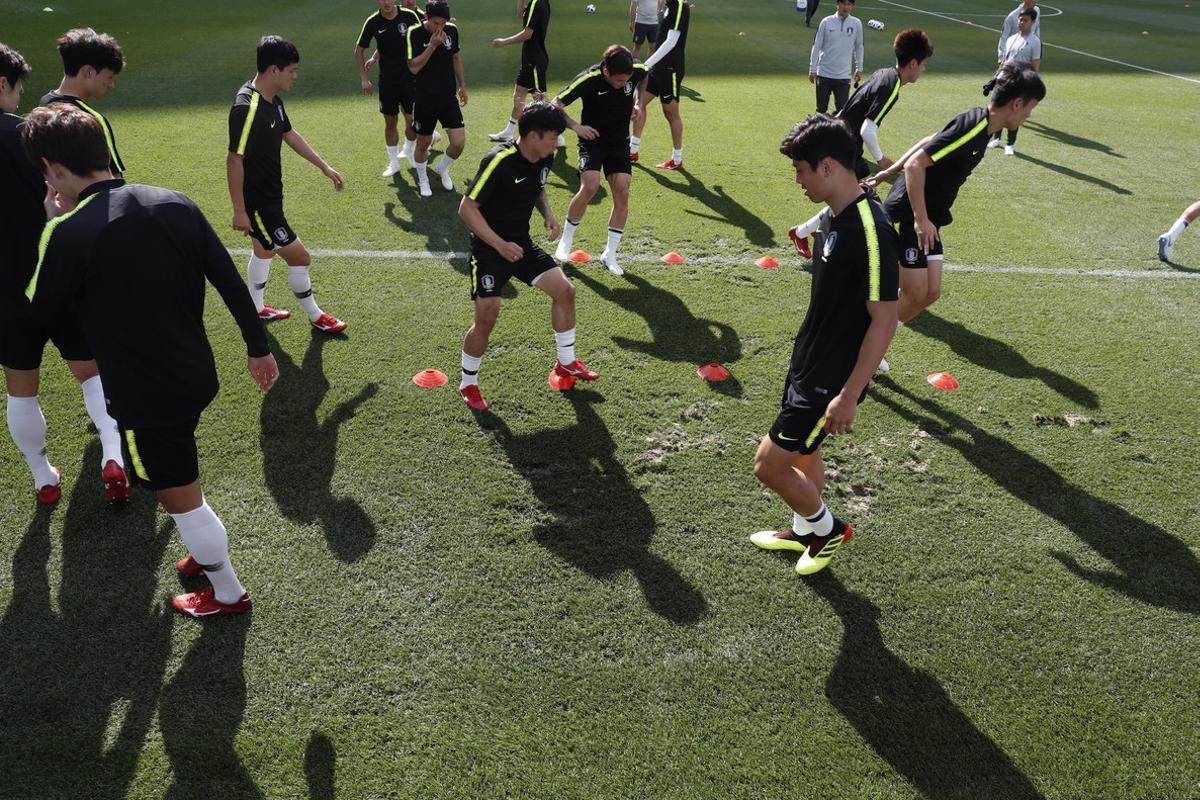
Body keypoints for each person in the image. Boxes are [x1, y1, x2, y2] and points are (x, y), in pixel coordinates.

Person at [22, 103, 280, 616]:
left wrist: (54, 222)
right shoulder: (174, 202)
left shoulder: (68, 232)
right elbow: (229, 281)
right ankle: (201, 545)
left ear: (52, 169)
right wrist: (257, 348)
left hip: (145, 391)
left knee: (175, 492)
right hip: (194, 373)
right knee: (179, 466)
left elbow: (40, 311)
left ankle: (227, 592)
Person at [750, 115, 899, 576]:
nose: (798, 180)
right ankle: (804, 530)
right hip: (808, 360)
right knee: (806, 453)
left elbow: (886, 320)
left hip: (831, 377)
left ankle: (827, 528)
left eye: (801, 170)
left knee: (769, 466)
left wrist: (848, 395)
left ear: (829, 166)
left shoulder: (871, 231)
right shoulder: (835, 216)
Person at [1, 44, 129, 505]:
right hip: (54, 273)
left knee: (21, 388)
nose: (20, 97)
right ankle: (113, 454)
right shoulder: (26, 137)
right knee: (92, 373)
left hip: (5, 297)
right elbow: (75, 194)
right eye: (17, 88)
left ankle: (42, 477)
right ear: (3, 84)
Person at [865, 64, 1046, 324]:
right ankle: (869, 340)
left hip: (931, 217)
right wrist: (920, 219)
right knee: (915, 293)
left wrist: (886, 173)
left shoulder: (986, 128)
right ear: (1017, 104)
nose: (1029, 115)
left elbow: (929, 141)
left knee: (930, 292)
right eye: (1032, 107)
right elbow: (917, 164)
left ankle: (877, 334)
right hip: (914, 213)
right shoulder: (973, 126)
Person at [457, 101, 599, 411]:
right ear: (533, 136)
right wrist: (498, 245)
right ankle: (468, 383)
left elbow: (537, 187)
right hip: (489, 250)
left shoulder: (542, 158)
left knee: (565, 291)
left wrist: (547, 213)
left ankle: (565, 363)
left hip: (520, 245)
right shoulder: (498, 161)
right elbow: (466, 208)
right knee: (487, 316)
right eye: (552, 137)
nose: (557, 143)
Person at [228, 35, 347, 333]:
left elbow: (290, 135)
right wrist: (240, 211)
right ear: (273, 70)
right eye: (291, 70)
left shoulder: (272, 100)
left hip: (270, 197)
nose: (295, 76)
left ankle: (254, 309)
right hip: (259, 205)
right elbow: (234, 160)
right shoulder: (247, 108)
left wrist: (324, 167)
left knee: (264, 252)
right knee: (299, 256)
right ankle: (316, 316)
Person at [553, 45, 647, 275]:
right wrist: (576, 126)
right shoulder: (588, 79)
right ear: (606, 72)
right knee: (591, 186)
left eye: (628, 80)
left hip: (618, 142)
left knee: (623, 190)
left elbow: (644, 77)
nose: (625, 83)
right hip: (592, 140)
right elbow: (555, 103)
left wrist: (638, 102)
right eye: (620, 81)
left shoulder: (634, 72)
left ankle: (610, 254)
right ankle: (565, 241)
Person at [835, 28, 933, 179]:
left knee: (849, 198)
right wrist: (882, 160)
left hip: (840, 136)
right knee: (863, 195)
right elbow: (867, 130)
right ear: (913, 63)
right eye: (924, 64)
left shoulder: (884, 73)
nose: (924, 69)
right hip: (844, 146)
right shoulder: (891, 87)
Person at [38, 28, 126, 176]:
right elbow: (114, 179)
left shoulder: (44, 105)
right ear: (88, 72)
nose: (111, 84)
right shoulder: (91, 119)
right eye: (109, 77)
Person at [355, 0, 428, 176]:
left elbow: (423, 37)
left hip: (410, 79)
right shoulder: (373, 21)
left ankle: (409, 150)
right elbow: (359, 50)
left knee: (412, 120)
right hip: (388, 81)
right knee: (390, 122)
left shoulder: (409, 16)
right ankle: (394, 163)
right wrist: (364, 79)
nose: (386, 2)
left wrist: (445, 25)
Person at [406, 1, 468, 197]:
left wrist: (462, 87)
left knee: (458, 143)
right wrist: (432, 45)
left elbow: (456, 58)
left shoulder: (452, 31)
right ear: (426, 16)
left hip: (448, 97)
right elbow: (413, 67)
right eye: (435, 23)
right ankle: (423, 179)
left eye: (443, 24)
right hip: (424, 98)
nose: (439, 28)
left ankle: (442, 167)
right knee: (423, 143)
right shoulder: (414, 33)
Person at [629, 0, 689, 169]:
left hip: (670, 68)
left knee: (670, 113)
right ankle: (632, 150)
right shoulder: (669, 6)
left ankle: (677, 159)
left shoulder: (678, 7)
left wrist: (646, 65)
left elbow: (671, 41)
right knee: (638, 102)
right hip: (658, 67)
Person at [488, 0, 552, 143]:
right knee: (519, 97)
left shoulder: (537, 3)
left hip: (534, 60)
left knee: (541, 101)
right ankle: (508, 133)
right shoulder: (537, 2)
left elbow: (528, 33)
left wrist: (504, 42)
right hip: (529, 60)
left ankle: (555, 134)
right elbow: (521, 15)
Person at [987, 7, 1040, 155]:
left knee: (1013, 112)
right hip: (1004, 80)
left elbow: (1035, 66)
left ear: (1032, 22)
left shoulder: (1035, 42)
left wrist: (1030, 86)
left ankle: (1010, 144)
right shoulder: (1011, 39)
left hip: (1020, 82)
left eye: (1025, 20)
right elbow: (1005, 61)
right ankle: (996, 138)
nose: (1021, 22)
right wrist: (995, 78)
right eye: (1020, 19)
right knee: (998, 108)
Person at [808, 0, 863, 116]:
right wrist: (812, 69)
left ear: (852, 6)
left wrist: (859, 68)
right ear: (837, 4)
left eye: (849, 4)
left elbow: (859, 47)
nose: (846, 7)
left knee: (842, 113)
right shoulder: (826, 22)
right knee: (821, 112)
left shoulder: (856, 24)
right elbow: (816, 46)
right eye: (843, 3)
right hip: (824, 74)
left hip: (843, 77)